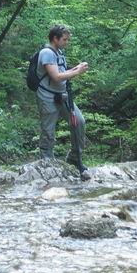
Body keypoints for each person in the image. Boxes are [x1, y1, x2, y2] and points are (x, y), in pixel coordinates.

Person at [35, 25, 89, 176]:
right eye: (65, 39)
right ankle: (47, 162)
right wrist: (77, 72)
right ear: (55, 38)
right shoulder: (46, 53)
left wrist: (75, 68)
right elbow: (56, 77)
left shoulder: (59, 53)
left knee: (78, 121)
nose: (67, 42)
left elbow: (61, 73)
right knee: (48, 131)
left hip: (63, 95)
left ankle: (74, 157)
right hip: (47, 97)